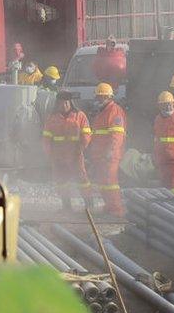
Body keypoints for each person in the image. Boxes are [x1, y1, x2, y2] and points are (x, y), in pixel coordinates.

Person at [42, 91, 93, 211]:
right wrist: (49, 154)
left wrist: (81, 148)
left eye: (66, 102)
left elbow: (86, 134)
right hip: (58, 156)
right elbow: (46, 138)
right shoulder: (52, 118)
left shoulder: (80, 116)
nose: (64, 105)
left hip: (75, 154)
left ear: (70, 102)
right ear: (57, 104)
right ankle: (66, 206)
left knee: (82, 180)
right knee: (61, 181)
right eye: (61, 103)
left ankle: (89, 204)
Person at [87, 83, 126, 217]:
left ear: (107, 97)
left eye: (100, 97)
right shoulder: (102, 112)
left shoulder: (114, 111)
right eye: (97, 97)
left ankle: (116, 210)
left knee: (110, 182)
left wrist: (111, 151)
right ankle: (109, 207)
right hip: (100, 154)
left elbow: (117, 135)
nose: (97, 100)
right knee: (103, 183)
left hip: (110, 155)